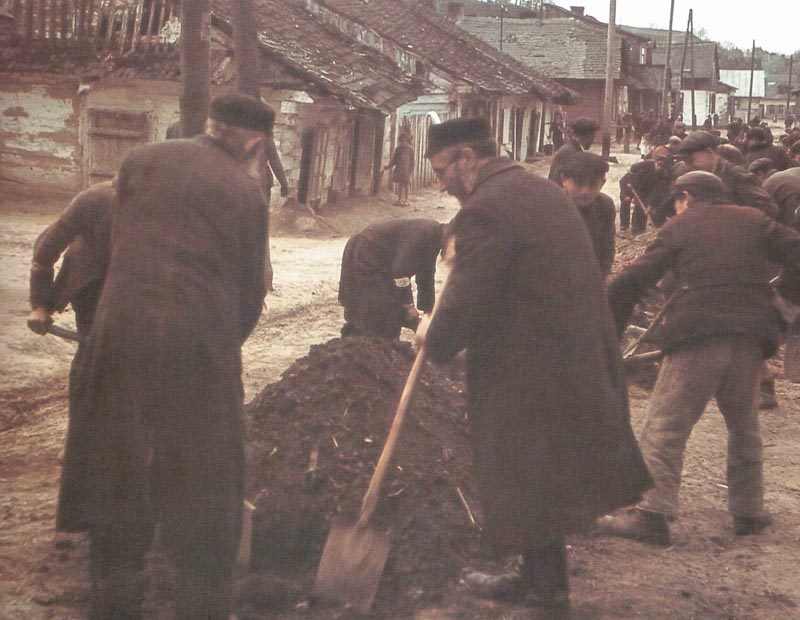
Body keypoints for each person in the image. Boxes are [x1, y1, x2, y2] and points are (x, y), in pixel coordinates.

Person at [417, 117, 651, 617]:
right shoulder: (535, 190)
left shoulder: (487, 208)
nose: (440, 183)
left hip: (531, 366)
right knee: (540, 474)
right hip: (569, 354)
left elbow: (470, 297)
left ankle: (546, 594)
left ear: (466, 157)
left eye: (441, 170)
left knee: (524, 470)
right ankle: (538, 577)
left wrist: (432, 336)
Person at [55, 93, 270, 620]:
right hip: (197, 346)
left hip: (117, 336)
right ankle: (201, 602)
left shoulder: (139, 160)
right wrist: (220, 346)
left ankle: (113, 599)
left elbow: (118, 244)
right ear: (255, 142)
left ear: (209, 125)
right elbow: (249, 292)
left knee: (115, 461)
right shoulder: (247, 190)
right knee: (206, 472)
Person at [597, 171, 800, 545]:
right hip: (751, 334)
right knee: (744, 424)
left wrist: (609, 335)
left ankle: (653, 514)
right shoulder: (754, 220)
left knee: (666, 422)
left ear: (685, 196)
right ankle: (749, 510)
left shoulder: (679, 226)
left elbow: (631, 280)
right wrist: (784, 305)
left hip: (697, 334)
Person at [27, 181, 114, 338]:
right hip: (91, 285)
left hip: (142, 289)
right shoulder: (97, 198)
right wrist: (40, 306)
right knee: (92, 351)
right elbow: (46, 249)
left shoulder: (166, 205)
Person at [338, 217, 446, 339]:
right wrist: (409, 306)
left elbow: (426, 275)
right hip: (365, 252)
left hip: (382, 262)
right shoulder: (424, 233)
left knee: (391, 307)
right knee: (378, 309)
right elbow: (400, 273)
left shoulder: (435, 239)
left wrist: (428, 313)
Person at [675, 131, 778, 218]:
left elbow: (769, 210)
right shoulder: (695, 179)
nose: (688, 166)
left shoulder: (738, 176)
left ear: (709, 152)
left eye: (691, 160)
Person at [559, 152, 616, 278]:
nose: (585, 191)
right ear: (564, 180)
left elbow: (606, 249)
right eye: (579, 183)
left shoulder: (605, 206)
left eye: (592, 184)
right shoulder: (550, 205)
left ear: (602, 183)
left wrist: (598, 280)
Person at [547, 117, 599, 183]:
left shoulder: (571, 148)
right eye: (593, 135)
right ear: (587, 136)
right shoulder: (572, 153)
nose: (593, 140)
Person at [384, 133, 415, 206]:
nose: (403, 142)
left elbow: (412, 162)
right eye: (402, 141)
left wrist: (410, 171)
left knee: (406, 186)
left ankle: (406, 200)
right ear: (400, 141)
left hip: (407, 170)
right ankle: (399, 200)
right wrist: (388, 167)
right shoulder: (398, 149)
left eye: (405, 140)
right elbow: (394, 160)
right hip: (399, 169)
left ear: (407, 141)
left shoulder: (410, 150)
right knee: (400, 185)